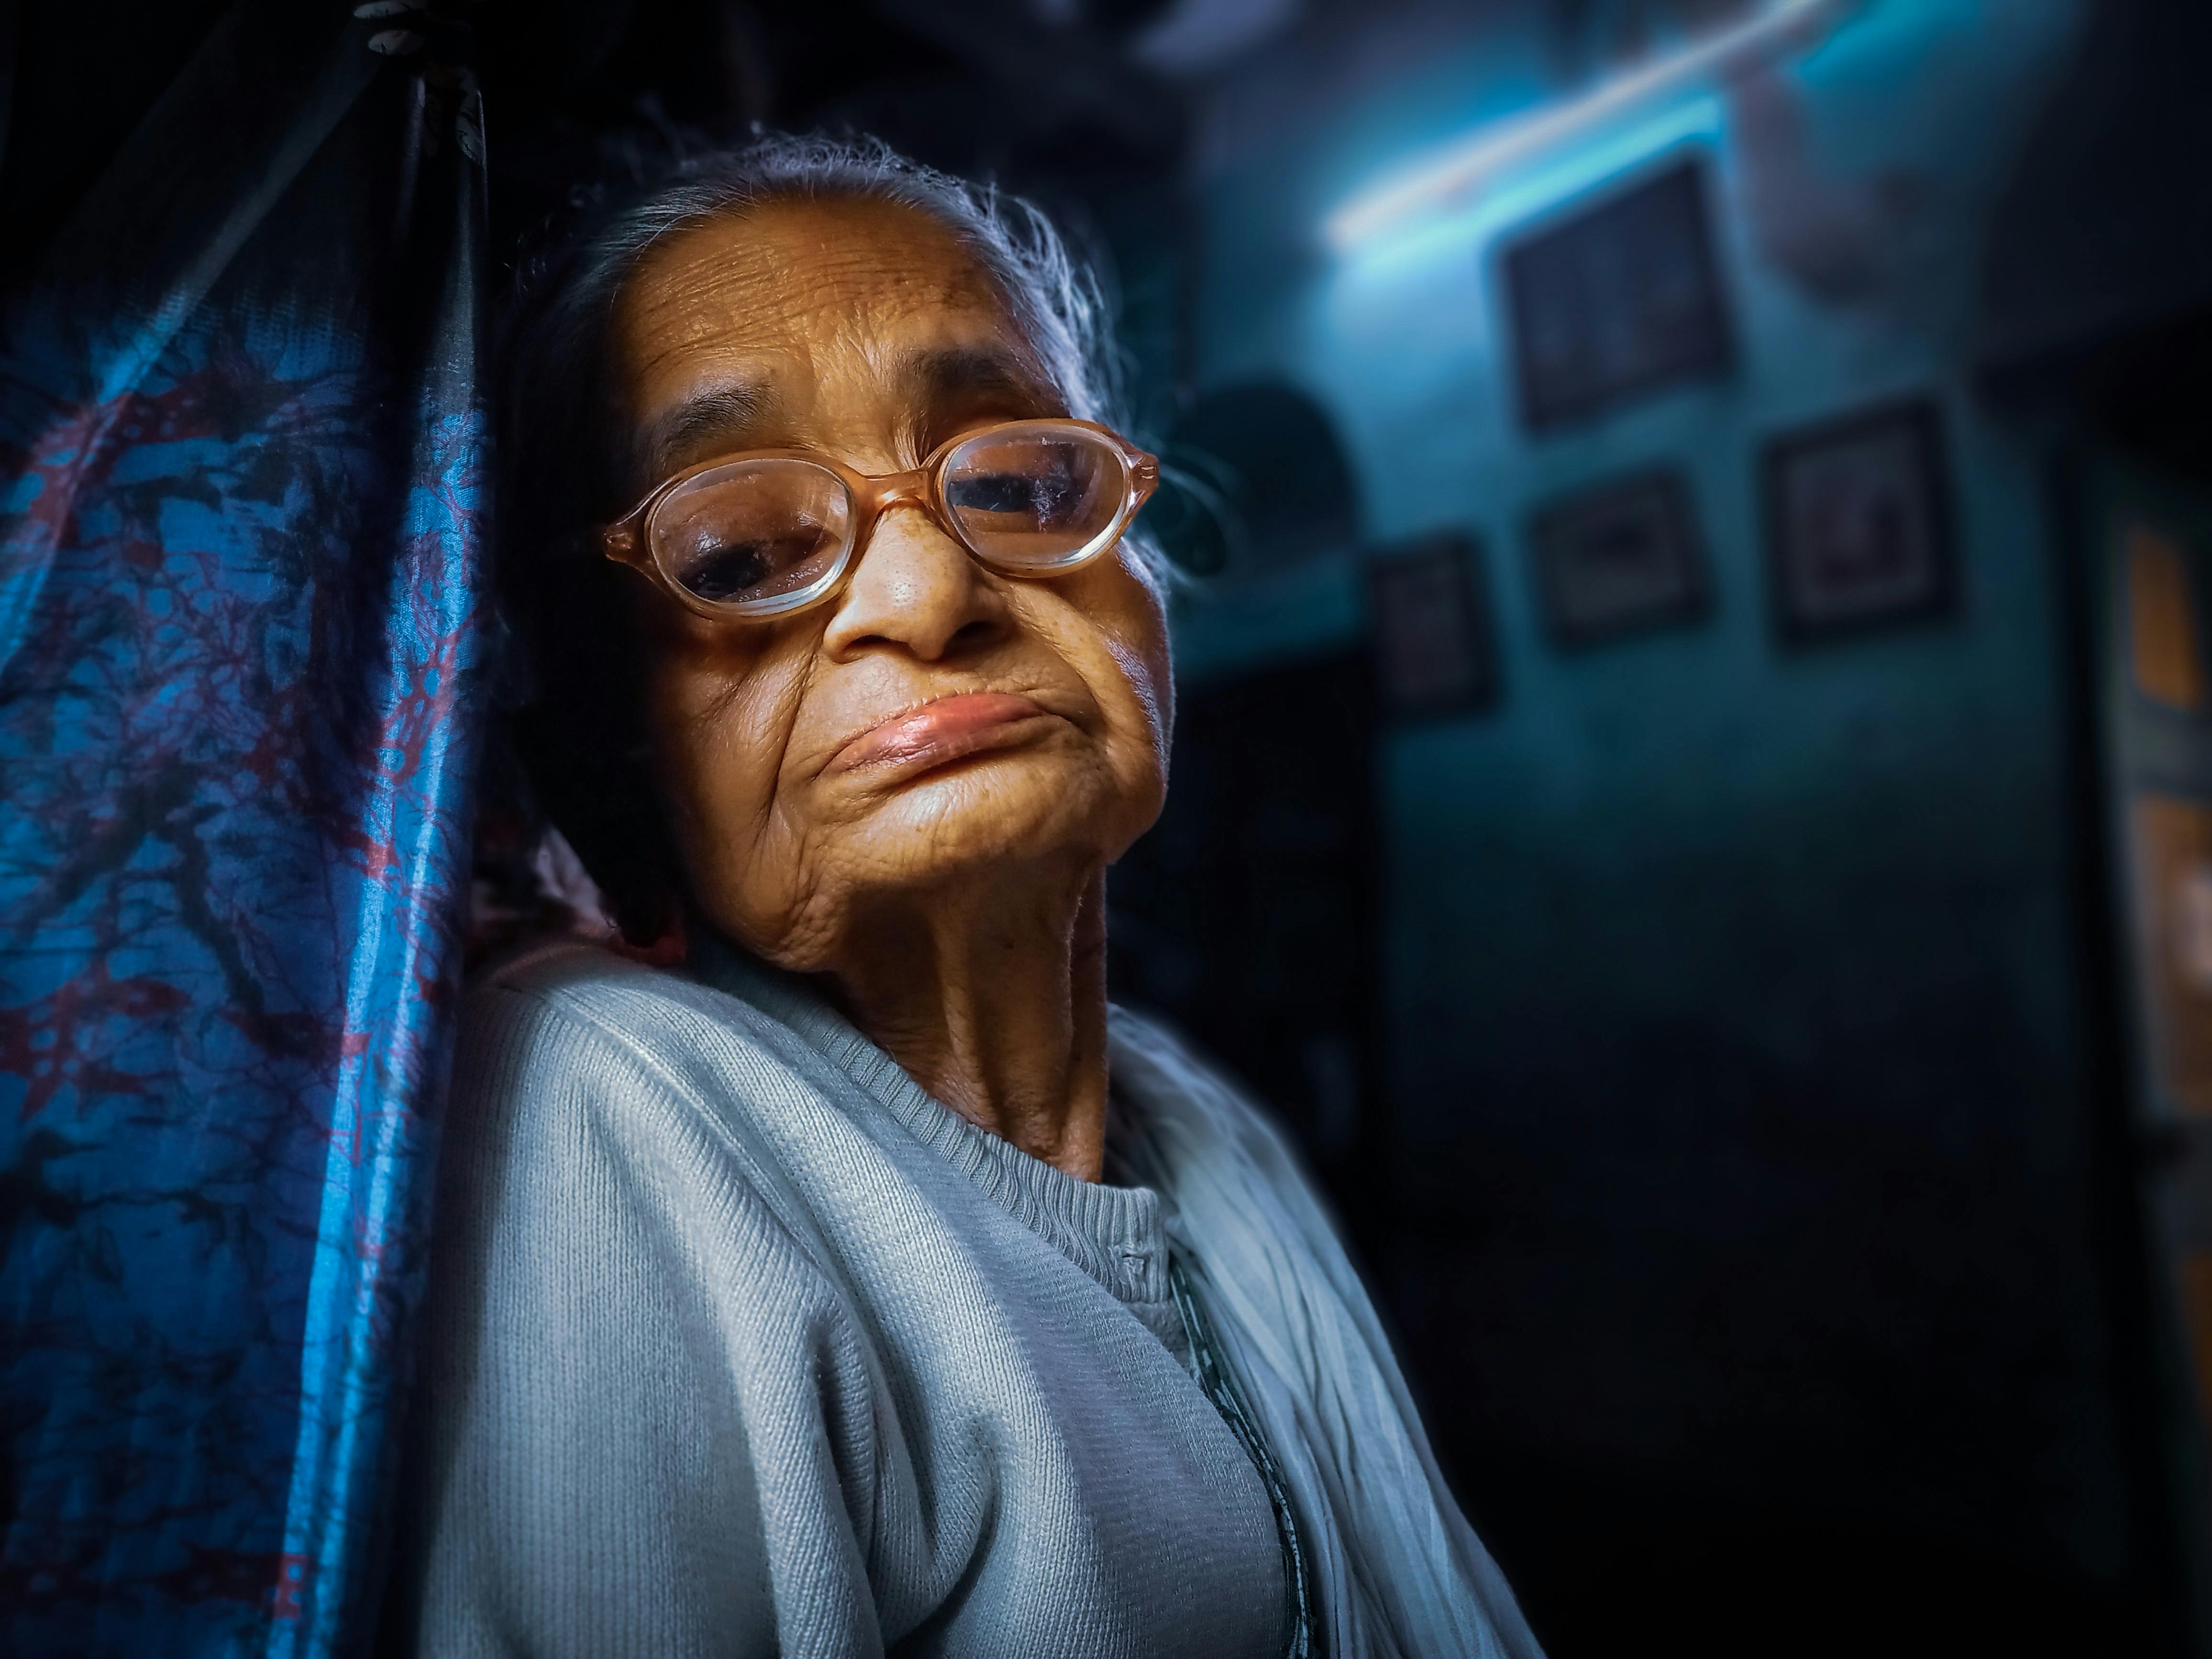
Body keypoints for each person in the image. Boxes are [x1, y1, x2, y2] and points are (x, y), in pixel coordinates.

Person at [389, 133, 1541, 1659]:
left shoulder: (1199, 1120)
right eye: (740, 553)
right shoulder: (606, 1111)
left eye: (1016, 478)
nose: (929, 593)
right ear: (613, 738)